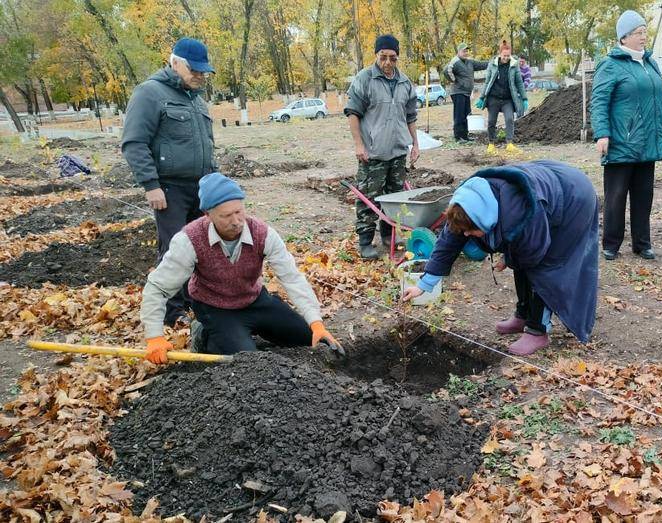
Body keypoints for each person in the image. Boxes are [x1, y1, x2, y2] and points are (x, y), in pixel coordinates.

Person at [401, 160, 599, 356]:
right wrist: (423, 285)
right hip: (547, 185)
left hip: (574, 199)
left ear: (486, 221)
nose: (467, 235)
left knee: (544, 268)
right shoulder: (466, 205)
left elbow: (533, 256)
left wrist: (508, 258)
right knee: (519, 259)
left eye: (472, 231)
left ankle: (538, 329)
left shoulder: (522, 214)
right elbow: (448, 244)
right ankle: (523, 315)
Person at [140, 173, 341, 363]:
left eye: (239, 211)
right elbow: (158, 287)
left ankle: (247, 331)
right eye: (226, 216)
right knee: (248, 362)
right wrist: (154, 336)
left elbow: (292, 278)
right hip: (215, 308)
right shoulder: (189, 240)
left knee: (309, 339)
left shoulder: (263, 234)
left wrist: (316, 323)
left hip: (254, 300)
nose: (236, 221)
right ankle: (203, 333)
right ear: (207, 215)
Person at [122, 37, 217, 326]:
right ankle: (172, 312)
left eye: (204, 71)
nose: (200, 76)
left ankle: (195, 301)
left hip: (200, 187)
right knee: (175, 250)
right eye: (194, 70)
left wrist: (213, 180)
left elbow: (207, 145)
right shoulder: (150, 93)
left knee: (202, 246)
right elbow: (134, 142)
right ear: (174, 62)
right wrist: (151, 184)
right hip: (169, 189)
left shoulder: (196, 99)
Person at [590, 11, 662, 262]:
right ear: (624, 37)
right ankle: (611, 244)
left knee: (644, 195)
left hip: (648, 141)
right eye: (638, 33)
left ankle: (642, 243)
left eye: (644, 32)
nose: (643, 37)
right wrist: (602, 133)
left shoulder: (650, 63)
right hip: (621, 140)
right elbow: (599, 102)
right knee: (616, 196)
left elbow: (660, 102)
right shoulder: (610, 64)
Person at [345, 34, 420, 260]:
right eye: (383, 57)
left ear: (398, 57)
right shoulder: (364, 79)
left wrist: (415, 144)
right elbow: (353, 114)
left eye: (393, 58)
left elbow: (410, 117)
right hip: (373, 153)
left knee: (395, 197)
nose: (388, 63)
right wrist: (359, 145)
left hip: (397, 152)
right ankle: (366, 241)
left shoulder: (405, 83)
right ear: (376, 55)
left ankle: (389, 234)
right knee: (369, 197)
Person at [476, 40, 528, 154]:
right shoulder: (492, 64)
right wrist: (482, 97)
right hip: (493, 98)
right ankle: (491, 144)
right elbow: (487, 81)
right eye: (504, 55)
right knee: (491, 121)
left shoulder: (514, 65)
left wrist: (524, 98)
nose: (506, 58)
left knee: (510, 119)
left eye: (508, 55)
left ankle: (509, 143)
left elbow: (519, 83)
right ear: (500, 54)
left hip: (507, 99)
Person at [445, 44, 489, 142]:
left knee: (467, 114)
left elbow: (481, 64)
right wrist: (454, 80)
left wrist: (493, 62)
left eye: (466, 51)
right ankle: (458, 137)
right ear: (459, 51)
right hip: (458, 92)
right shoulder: (455, 61)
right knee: (459, 115)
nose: (465, 53)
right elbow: (446, 70)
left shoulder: (470, 62)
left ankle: (465, 136)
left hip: (466, 92)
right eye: (464, 51)